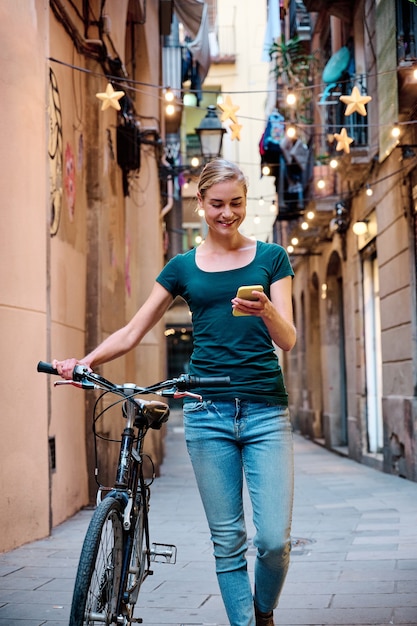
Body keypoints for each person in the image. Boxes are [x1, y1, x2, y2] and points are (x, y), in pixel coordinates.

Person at [53, 158, 296, 626]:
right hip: (207, 416)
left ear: (246, 202)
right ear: (200, 204)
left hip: (266, 410)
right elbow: (132, 330)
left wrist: (265, 309)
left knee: (273, 541)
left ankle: (263, 610)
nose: (228, 214)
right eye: (218, 204)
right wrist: (83, 363)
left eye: (237, 204)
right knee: (227, 541)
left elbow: (287, 340)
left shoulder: (272, 258)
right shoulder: (182, 267)